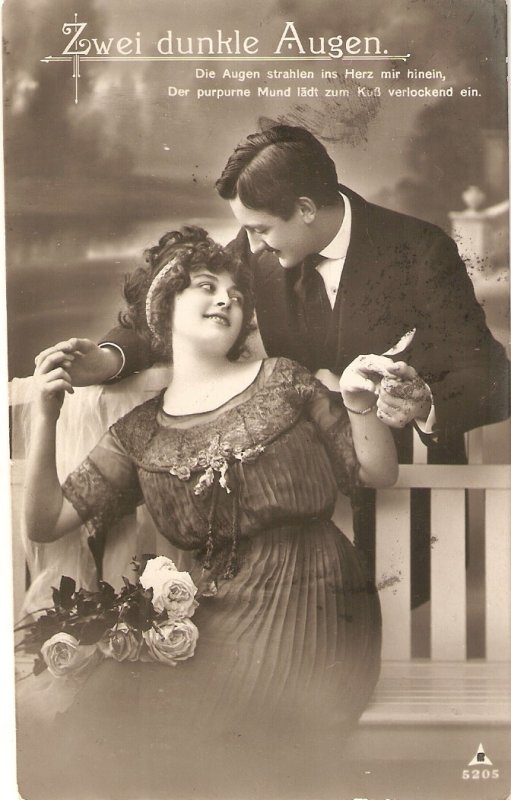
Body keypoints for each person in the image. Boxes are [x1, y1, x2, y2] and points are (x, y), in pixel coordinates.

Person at [35, 125, 510, 605]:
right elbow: (171, 301)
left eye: (260, 229)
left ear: (305, 209)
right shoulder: (258, 250)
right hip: (299, 502)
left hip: (407, 502)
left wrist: (425, 401)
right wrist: (108, 358)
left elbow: (493, 375)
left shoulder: (420, 249)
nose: (252, 245)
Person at [20, 226, 399, 798]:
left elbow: (375, 473)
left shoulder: (284, 380)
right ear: (163, 305)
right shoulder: (140, 432)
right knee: (105, 706)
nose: (227, 300)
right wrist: (46, 416)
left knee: (200, 720)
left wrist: (358, 402)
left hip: (315, 598)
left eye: (237, 294)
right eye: (206, 286)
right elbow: (46, 521)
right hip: (216, 613)